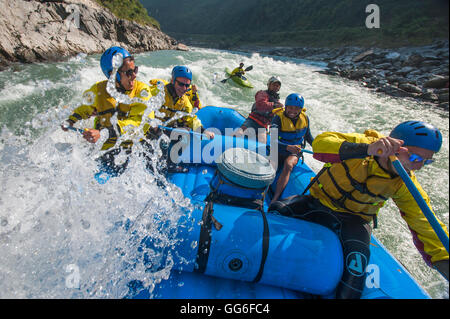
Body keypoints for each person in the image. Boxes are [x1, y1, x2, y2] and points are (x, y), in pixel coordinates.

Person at [269, 121, 449, 298]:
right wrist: (367, 149)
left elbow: (425, 223)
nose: (417, 167)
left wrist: (445, 261)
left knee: (355, 273)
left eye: (426, 162)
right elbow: (321, 144)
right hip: (316, 203)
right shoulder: (365, 143)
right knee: (276, 210)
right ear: (395, 146)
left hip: (354, 221)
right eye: (414, 158)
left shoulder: (405, 183)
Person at [61, 46, 154, 175]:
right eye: (128, 72)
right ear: (113, 75)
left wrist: (104, 132)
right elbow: (84, 108)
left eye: (135, 70)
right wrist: (70, 121)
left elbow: (139, 125)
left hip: (130, 148)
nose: (133, 76)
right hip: (104, 148)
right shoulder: (98, 90)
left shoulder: (142, 92)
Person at [269, 93, 314, 204]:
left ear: (300, 109)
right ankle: (262, 192)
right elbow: (273, 140)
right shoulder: (277, 119)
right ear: (286, 106)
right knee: (271, 166)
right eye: (290, 108)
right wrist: (287, 147)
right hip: (279, 148)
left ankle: (275, 198)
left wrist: (317, 147)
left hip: (294, 151)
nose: (293, 111)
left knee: (288, 165)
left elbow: (308, 136)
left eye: (296, 108)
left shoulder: (305, 118)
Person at [148, 65, 213, 139]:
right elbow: (144, 107)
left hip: (166, 127)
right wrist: (152, 123)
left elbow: (191, 119)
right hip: (151, 127)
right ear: (173, 81)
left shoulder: (184, 101)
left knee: (185, 132)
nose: (184, 88)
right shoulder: (157, 92)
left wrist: (204, 131)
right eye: (181, 84)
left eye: (187, 85)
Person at [237, 76, 284, 143]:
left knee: (262, 143)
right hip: (252, 121)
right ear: (269, 85)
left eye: (277, 86)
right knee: (239, 133)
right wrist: (274, 105)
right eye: (274, 85)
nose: (275, 87)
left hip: (263, 126)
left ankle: (253, 136)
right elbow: (260, 105)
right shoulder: (262, 93)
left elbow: (275, 116)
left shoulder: (277, 101)